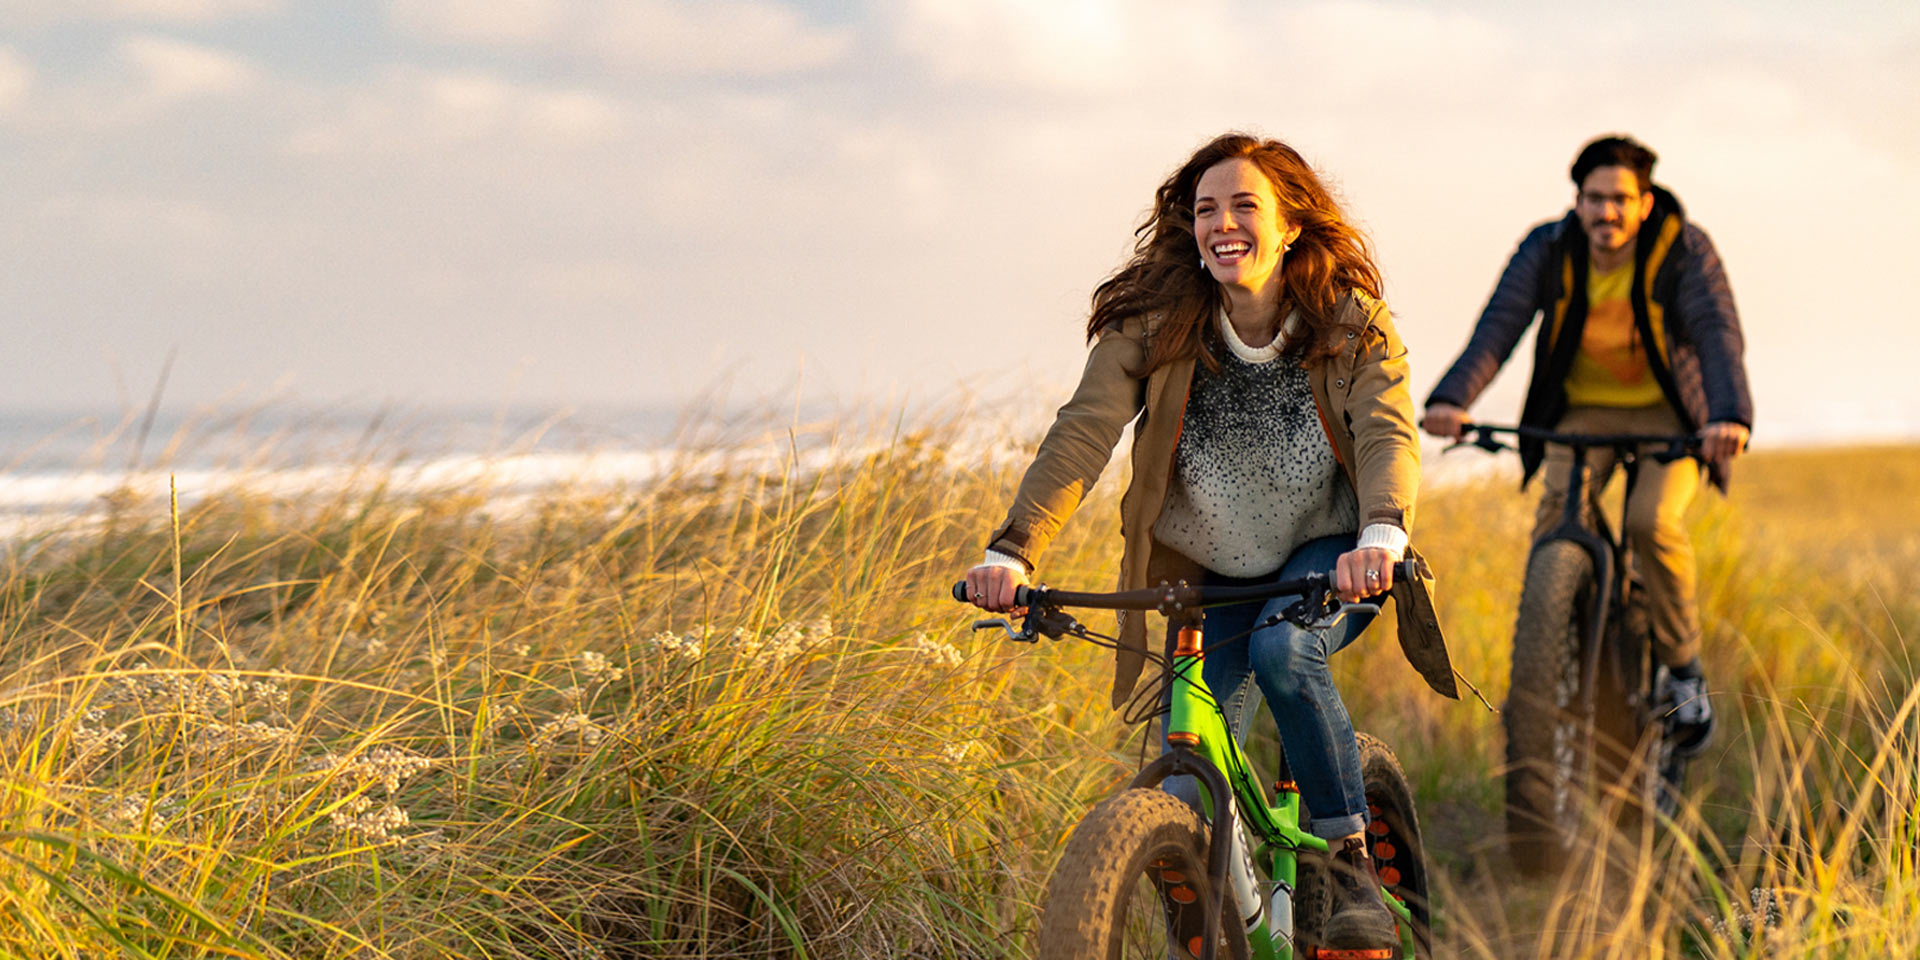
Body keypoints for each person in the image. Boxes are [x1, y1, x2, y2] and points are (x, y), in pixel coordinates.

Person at [963, 132, 1454, 955]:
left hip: (1327, 563)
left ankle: (1348, 865)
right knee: (1187, 785)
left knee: (1285, 653)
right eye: (1205, 210)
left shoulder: (1349, 319)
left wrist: (1382, 533)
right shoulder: (1155, 325)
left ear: (1291, 223)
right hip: (1209, 573)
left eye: (1244, 205)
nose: (1222, 224)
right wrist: (1013, 551)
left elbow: (1386, 431)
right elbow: (1083, 434)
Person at [1422, 135, 1752, 749]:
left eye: (1621, 200)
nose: (1607, 213)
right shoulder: (1548, 247)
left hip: (1671, 417)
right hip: (1579, 413)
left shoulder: (1683, 248)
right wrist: (1452, 398)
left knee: (1652, 522)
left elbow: (1714, 327)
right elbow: (1501, 324)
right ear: (1576, 201)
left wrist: (1728, 414)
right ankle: (1560, 634)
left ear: (1646, 201)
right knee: (1556, 520)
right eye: (1594, 199)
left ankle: (1684, 676)